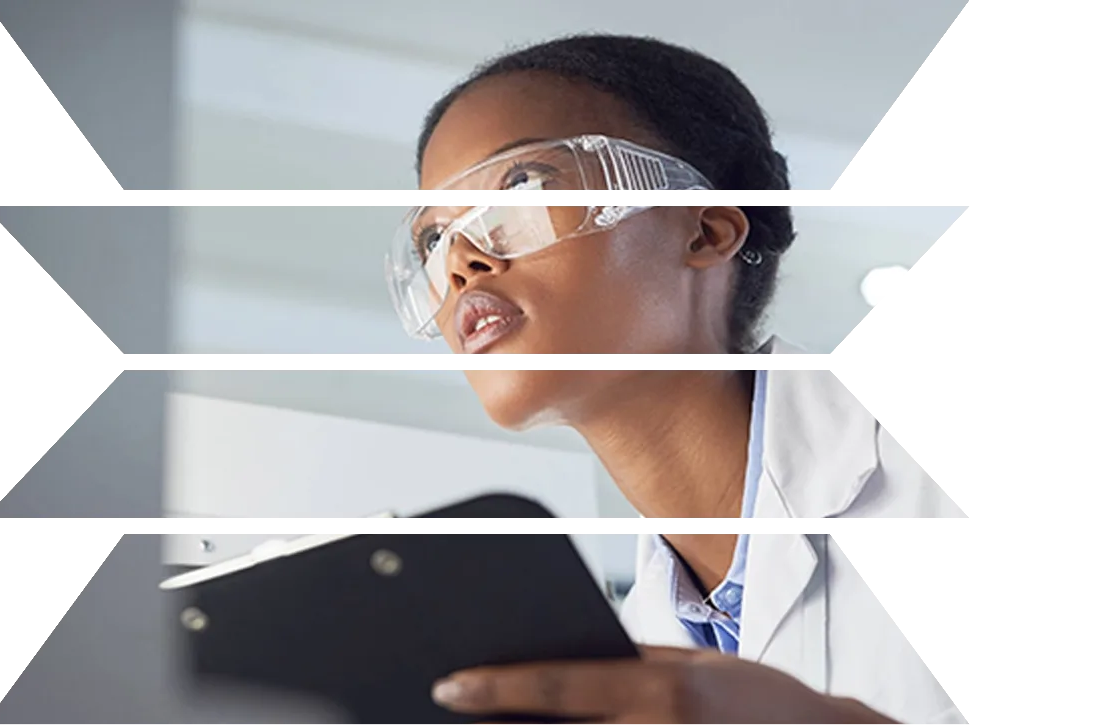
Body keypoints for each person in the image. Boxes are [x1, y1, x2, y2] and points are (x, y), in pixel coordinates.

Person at [383, 34, 970, 725]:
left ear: (707, 232)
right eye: (433, 238)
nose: (460, 264)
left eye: (525, 189)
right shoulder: (639, 652)